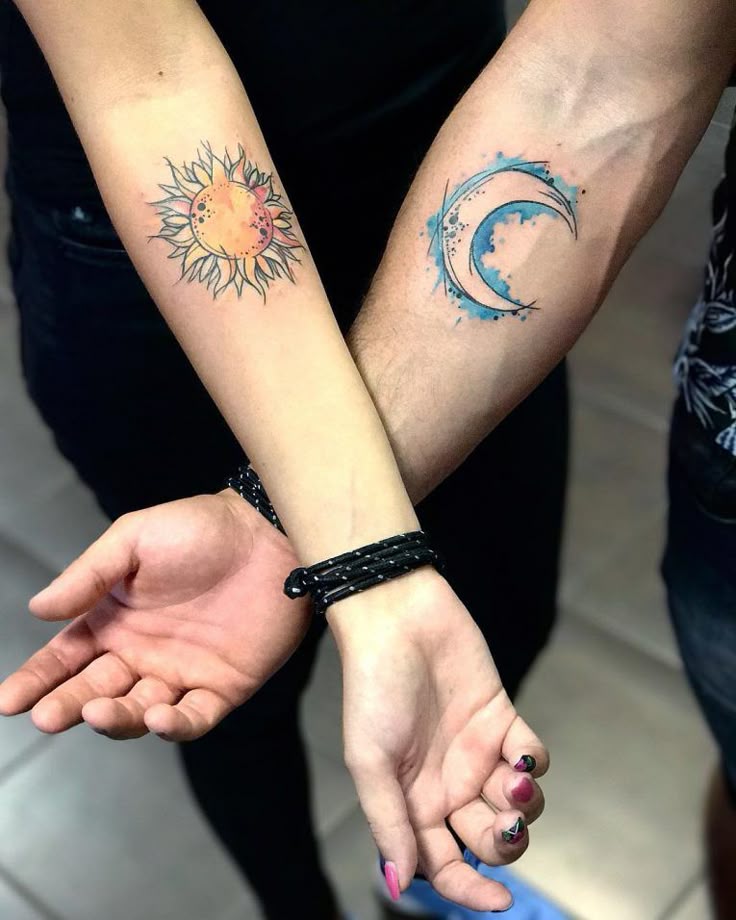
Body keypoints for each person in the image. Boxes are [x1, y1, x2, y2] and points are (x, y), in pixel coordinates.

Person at [2, 0, 736, 917]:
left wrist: (324, 535)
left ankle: (423, 875)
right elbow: (149, 81)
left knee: (502, 608)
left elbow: (614, 71)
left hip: (461, 149)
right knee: (219, 681)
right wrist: (357, 553)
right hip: (160, 232)